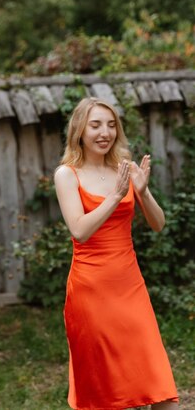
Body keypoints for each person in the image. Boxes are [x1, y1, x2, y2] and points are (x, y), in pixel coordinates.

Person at [54, 97, 179, 409]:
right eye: (95, 125)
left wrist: (144, 190)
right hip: (91, 290)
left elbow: (159, 224)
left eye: (111, 125)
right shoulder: (67, 174)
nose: (104, 132)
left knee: (158, 380)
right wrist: (115, 196)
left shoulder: (123, 169)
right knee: (105, 389)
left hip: (129, 285)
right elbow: (79, 230)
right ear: (80, 130)